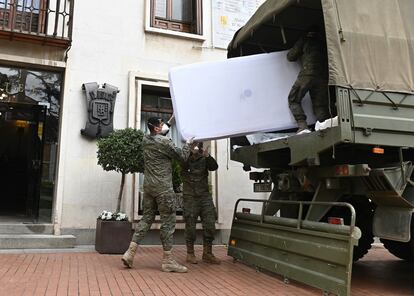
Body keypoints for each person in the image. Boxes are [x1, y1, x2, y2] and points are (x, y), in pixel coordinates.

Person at [122, 116, 193, 273]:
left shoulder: (145, 139)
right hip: (164, 189)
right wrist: (188, 144)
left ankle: (130, 253)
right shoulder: (165, 142)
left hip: (149, 188)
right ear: (156, 128)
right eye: (160, 124)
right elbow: (182, 157)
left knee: (146, 219)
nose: (162, 126)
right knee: (168, 222)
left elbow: (160, 134)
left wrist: (170, 121)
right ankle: (168, 261)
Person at [181, 142, 220, 264]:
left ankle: (207, 253)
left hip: (204, 196)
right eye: (194, 145)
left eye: (198, 145)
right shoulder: (184, 156)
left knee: (210, 223)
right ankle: (190, 253)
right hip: (190, 196)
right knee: (190, 226)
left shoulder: (204, 157)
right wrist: (189, 153)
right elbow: (182, 164)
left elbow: (214, 167)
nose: (196, 147)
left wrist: (207, 156)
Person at [287, 25, 330, 134]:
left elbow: (290, 56)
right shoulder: (325, 42)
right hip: (322, 77)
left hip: (307, 75)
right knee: (320, 105)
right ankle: (325, 127)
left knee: (293, 99)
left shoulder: (305, 39)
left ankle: (302, 126)